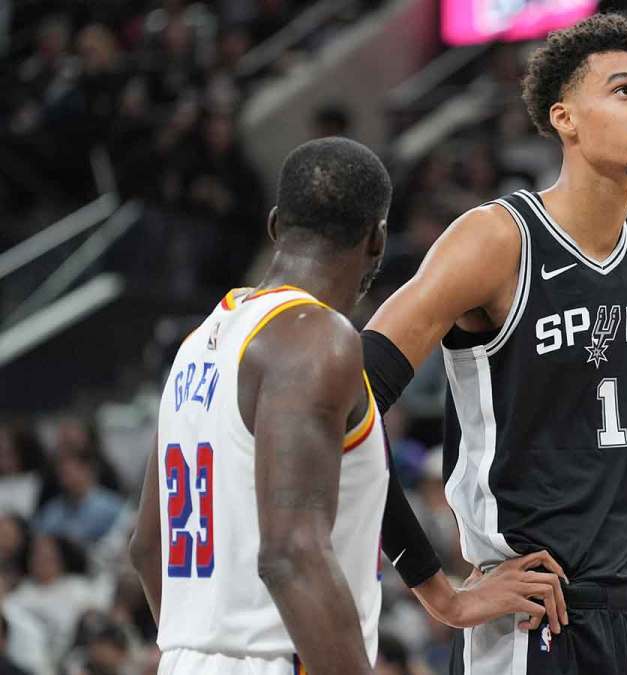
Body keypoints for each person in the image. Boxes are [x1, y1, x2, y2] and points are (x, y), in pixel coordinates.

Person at [127, 138, 569, 675]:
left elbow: (148, 548)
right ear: (378, 240)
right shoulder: (318, 339)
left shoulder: (200, 341)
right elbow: (292, 556)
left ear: (274, 226)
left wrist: (197, 646)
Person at [360, 14, 627, 673]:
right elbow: (348, 397)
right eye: (624, 91)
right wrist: (440, 592)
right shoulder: (498, 239)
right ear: (564, 118)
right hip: (535, 617)